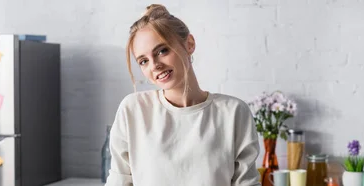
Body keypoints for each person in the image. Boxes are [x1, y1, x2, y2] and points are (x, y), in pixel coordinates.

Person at [105, 4, 260, 186]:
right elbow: (119, 181)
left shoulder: (233, 112)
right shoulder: (133, 109)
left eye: (162, 51)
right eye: (143, 61)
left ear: (189, 44)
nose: (154, 65)